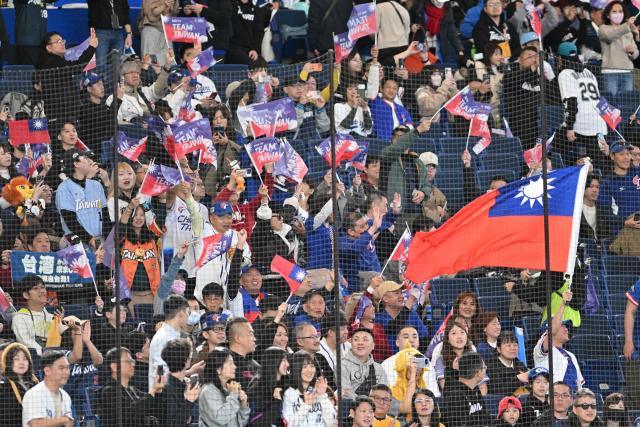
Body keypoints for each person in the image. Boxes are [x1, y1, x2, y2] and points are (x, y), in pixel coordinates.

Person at [555, 41, 609, 170]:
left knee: (555, 149)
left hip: (580, 123)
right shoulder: (589, 72)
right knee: (597, 162)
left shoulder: (565, 74)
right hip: (599, 123)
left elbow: (571, 101)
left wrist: (570, 126)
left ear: (560, 58)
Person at [96, 347, 163, 427]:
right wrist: (152, 391)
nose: (133, 364)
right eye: (128, 361)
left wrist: (156, 390)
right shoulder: (109, 391)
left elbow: (147, 404)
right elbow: (130, 414)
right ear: (114, 367)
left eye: (132, 361)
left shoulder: (132, 389)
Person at [55, 149, 109, 247]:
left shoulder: (96, 185)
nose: (90, 161)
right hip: (76, 242)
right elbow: (70, 219)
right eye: (85, 158)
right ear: (76, 163)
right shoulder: (64, 188)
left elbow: (105, 213)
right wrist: (89, 239)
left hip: (100, 240)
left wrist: (107, 239)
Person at [533, 291, 584, 392]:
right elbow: (552, 331)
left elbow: (579, 386)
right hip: (552, 400)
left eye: (566, 327)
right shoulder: (541, 349)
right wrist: (563, 303)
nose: (566, 329)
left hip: (570, 400)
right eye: (562, 326)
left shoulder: (571, 355)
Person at [109, 51, 173, 123]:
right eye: (131, 72)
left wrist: (167, 65)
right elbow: (114, 124)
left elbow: (158, 89)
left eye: (137, 72)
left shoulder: (143, 91)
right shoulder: (113, 98)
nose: (135, 75)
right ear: (122, 76)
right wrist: (136, 125)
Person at [11, 275, 64, 356]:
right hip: (34, 361)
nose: (42, 291)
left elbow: (64, 332)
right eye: (36, 288)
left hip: (55, 358)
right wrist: (48, 354)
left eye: (43, 287)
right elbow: (26, 343)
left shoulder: (52, 317)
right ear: (26, 295)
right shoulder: (19, 318)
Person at [198, 347, 251, 427]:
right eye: (230, 363)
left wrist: (243, 405)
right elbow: (221, 419)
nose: (235, 367)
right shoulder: (208, 391)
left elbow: (241, 423)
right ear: (218, 369)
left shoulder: (228, 389)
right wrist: (233, 395)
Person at [381, 326, 439, 398]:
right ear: (397, 342)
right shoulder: (388, 363)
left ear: (418, 342)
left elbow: (433, 391)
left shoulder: (425, 362)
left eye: (414, 337)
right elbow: (388, 392)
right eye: (406, 337)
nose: (411, 340)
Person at [149, 295, 192, 389]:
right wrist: (189, 371)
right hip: (163, 396)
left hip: (175, 392)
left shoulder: (176, 335)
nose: (189, 316)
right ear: (181, 313)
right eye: (188, 312)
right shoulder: (162, 337)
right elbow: (161, 372)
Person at [282, 351, 336, 426]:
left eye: (312, 366)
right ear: (296, 369)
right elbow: (288, 424)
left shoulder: (318, 390)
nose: (309, 370)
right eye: (304, 367)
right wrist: (306, 405)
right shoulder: (289, 393)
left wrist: (322, 396)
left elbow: (331, 422)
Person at [598, 141, 640, 237]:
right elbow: (605, 213)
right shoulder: (607, 183)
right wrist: (625, 222)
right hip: (624, 232)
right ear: (612, 156)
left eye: (628, 154)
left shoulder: (637, 172)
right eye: (621, 154)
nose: (626, 158)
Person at [156, 338, 202, 426]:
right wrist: (189, 400)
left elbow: (188, 419)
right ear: (186, 360)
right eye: (189, 356)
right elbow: (172, 423)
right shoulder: (167, 388)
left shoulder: (181, 384)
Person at [22, 350, 73, 427]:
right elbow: (36, 424)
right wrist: (63, 420)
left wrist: (66, 421)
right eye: (61, 368)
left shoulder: (66, 396)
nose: (66, 372)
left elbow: (69, 423)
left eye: (67, 368)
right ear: (47, 371)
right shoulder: (34, 394)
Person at [598, 1, 639, 97]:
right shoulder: (603, 28)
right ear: (608, 15)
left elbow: (636, 52)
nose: (618, 14)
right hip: (610, 72)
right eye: (614, 12)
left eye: (620, 11)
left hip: (627, 72)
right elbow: (609, 37)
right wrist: (626, 26)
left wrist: (632, 52)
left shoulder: (628, 31)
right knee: (612, 104)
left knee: (626, 103)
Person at [442, 352, 492, 427]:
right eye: (484, 368)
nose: (486, 368)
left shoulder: (475, 389)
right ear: (478, 372)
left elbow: (486, 420)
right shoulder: (456, 396)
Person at [341, 328, 389, 400]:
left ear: (373, 345)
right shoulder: (342, 365)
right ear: (351, 343)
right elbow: (346, 394)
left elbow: (384, 394)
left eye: (365, 339)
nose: (360, 343)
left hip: (375, 408)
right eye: (356, 339)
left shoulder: (378, 368)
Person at [0, 343, 39, 426]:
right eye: (16, 359)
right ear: (8, 362)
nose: (22, 362)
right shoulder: (3, 387)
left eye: (25, 359)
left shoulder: (35, 383)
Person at [250, 347, 289, 427]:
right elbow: (257, 423)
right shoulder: (258, 386)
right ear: (273, 361)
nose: (287, 364)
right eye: (284, 360)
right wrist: (277, 401)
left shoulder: (286, 382)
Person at [76, 72, 114, 154]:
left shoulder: (105, 104)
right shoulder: (85, 109)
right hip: (96, 152)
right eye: (97, 85)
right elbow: (105, 121)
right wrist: (117, 100)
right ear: (89, 89)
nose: (102, 87)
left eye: (102, 84)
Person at [88, 0, 132, 67]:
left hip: (119, 34)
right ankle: (101, 77)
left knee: (118, 66)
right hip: (101, 33)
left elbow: (126, 16)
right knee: (101, 65)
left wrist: (129, 34)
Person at [486, 331, 529, 396]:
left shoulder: (520, 365)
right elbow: (496, 390)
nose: (513, 348)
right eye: (508, 345)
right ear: (498, 349)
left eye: (515, 345)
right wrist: (517, 379)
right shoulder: (491, 367)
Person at [139, 0, 178, 66]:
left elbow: (174, 12)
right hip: (151, 29)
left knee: (168, 63)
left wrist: (170, 9)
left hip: (166, 31)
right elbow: (149, 13)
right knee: (150, 64)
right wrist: (164, 5)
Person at [227, 318, 259, 392]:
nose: (254, 339)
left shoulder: (255, 365)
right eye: (251, 334)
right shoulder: (224, 364)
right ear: (237, 338)